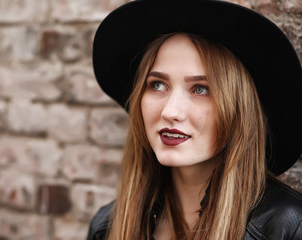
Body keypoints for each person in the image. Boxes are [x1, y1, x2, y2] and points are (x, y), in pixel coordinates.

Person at [88, 0, 302, 239]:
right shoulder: (107, 227)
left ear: (239, 107)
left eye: (200, 89)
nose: (171, 112)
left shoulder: (285, 228)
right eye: (157, 85)